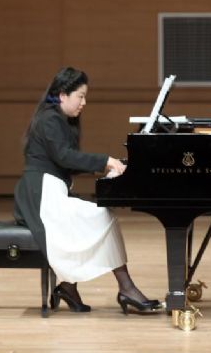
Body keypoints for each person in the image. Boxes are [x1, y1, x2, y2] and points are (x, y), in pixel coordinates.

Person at [14, 66, 161, 314]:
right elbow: (65, 156)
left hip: (48, 191)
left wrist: (109, 167)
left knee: (99, 217)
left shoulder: (58, 119)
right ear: (63, 95)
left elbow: (65, 161)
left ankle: (72, 287)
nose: (84, 102)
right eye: (80, 96)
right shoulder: (50, 119)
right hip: (40, 196)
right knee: (102, 216)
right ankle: (124, 288)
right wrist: (106, 161)